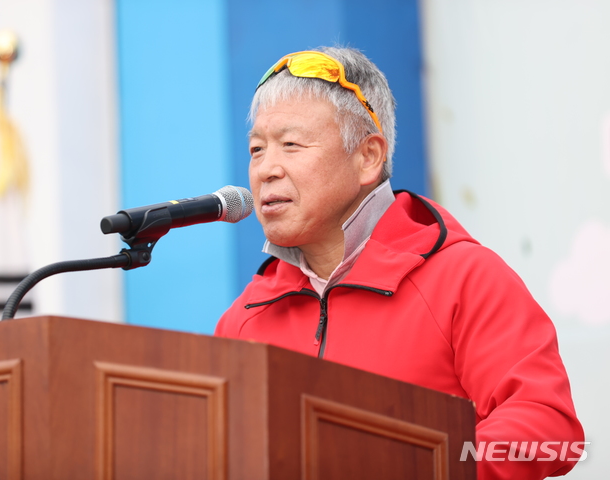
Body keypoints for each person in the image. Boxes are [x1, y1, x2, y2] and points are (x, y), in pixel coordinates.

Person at [214, 47, 584, 479]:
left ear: (368, 157)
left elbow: (551, 432)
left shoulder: (464, 278)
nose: (266, 170)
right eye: (257, 150)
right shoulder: (244, 318)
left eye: (291, 145)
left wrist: (424, 465)